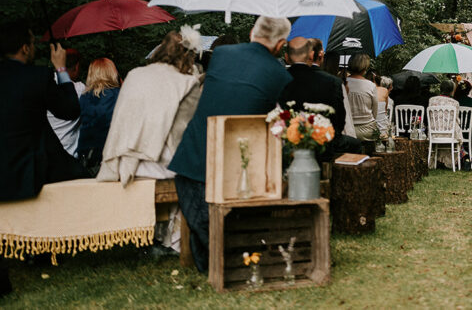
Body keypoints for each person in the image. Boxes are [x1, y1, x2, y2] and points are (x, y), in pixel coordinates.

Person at [168, 16, 292, 274]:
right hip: (238, 173)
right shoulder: (280, 75)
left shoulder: (221, 54)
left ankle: (218, 257)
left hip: (191, 163)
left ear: (251, 32)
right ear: (281, 45)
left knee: (207, 222)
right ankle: (232, 255)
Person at [97, 27, 203, 185]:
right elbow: (185, 130)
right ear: (188, 57)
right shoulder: (186, 83)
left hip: (121, 163)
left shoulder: (134, 75)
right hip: (159, 166)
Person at [0, 23, 84, 201]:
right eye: (32, 43)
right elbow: (70, 111)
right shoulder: (38, 76)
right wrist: (61, 69)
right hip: (31, 173)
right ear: (25, 48)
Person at [280, 36, 362, 156]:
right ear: (311, 55)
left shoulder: (278, 79)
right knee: (356, 144)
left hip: (287, 141)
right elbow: (340, 121)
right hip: (326, 143)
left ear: (286, 57)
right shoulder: (333, 82)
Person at [76, 58, 121, 176]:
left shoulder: (84, 97)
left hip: (88, 154)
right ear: (113, 72)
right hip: (113, 153)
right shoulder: (120, 95)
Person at [47, 48, 85, 157]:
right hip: (69, 155)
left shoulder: (45, 85)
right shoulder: (80, 89)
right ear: (77, 67)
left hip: (46, 153)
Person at [344, 53, 379, 143]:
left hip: (347, 128)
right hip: (368, 130)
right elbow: (374, 112)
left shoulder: (342, 83)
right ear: (365, 67)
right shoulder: (371, 86)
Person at [454, 79, 472, 162]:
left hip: (456, 131)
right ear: (468, 90)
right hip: (468, 132)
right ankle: (469, 158)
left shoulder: (454, 101)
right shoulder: (471, 101)